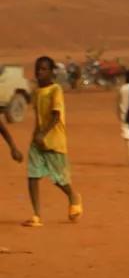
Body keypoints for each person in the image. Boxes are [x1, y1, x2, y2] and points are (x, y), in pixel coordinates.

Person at [19, 56, 82, 227]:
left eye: (44, 69)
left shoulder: (56, 90)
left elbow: (56, 115)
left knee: (58, 178)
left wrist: (43, 133)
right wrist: (36, 135)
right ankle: (36, 215)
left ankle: (73, 196)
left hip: (54, 140)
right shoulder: (37, 92)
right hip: (37, 141)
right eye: (38, 68)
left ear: (52, 71)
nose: (40, 72)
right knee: (33, 176)